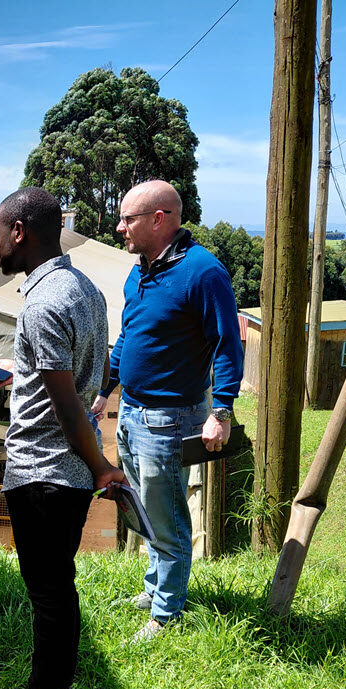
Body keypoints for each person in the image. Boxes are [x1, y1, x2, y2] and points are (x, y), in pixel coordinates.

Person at [0, 188, 125, 689]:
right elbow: (72, 377)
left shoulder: (41, 303)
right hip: (68, 474)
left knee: (49, 590)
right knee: (59, 583)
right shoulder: (84, 288)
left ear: (20, 233)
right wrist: (16, 376)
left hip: (44, 471)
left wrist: (103, 464)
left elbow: (65, 407)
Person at [91, 180, 243, 643]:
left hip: (170, 418)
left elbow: (227, 343)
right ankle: (156, 590)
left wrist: (221, 410)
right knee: (145, 507)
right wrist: (105, 392)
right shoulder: (139, 273)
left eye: (127, 219)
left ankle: (166, 615)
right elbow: (128, 340)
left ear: (160, 219)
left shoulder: (203, 272)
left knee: (169, 515)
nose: (119, 228)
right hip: (133, 413)